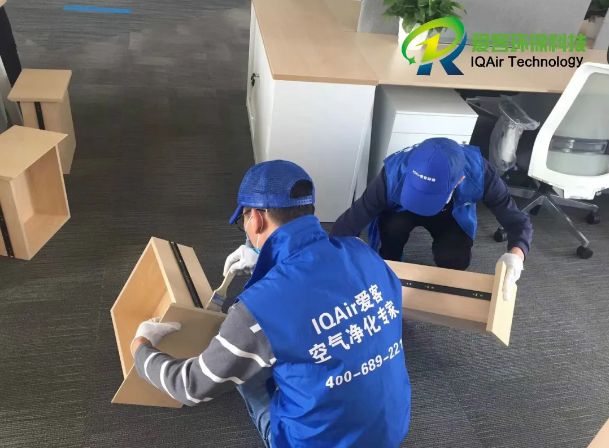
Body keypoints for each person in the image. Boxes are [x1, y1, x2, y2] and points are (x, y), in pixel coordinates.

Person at [132, 160, 412, 448]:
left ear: (255, 219)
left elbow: (190, 386)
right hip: (391, 429)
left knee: (245, 365)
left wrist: (140, 348)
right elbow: (323, 290)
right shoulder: (363, 252)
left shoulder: (257, 309)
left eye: (243, 221)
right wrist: (266, 264)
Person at [330, 138, 532, 296]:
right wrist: (333, 255)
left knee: (454, 260)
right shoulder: (394, 172)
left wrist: (516, 255)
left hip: (450, 214)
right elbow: (354, 218)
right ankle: (392, 259)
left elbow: (516, 221)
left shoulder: (481, 173)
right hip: (402, 212)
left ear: (459, 180)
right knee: (391, 234)